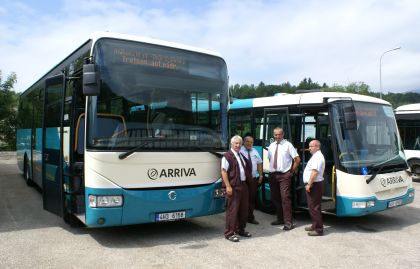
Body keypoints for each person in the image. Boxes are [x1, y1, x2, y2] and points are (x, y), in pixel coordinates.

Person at [268, 127, 301, 230]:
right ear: (273, 135)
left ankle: (288, 222)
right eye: (276, 135)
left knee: (285, 198)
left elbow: (297, 159)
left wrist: (291, 171)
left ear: (283, 135)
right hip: (273, 174)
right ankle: (280, 218)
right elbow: (270, 159)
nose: (278, 136)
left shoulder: (288, 145)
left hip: (284, 175)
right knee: (275, 198)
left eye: (279, 134)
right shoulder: (271, 145)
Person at [221, 135, 252, 242]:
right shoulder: (227, 156)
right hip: (233, 186)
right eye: (236, 143)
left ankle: (240, 229)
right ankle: (229, 233)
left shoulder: (241, 155)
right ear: (232, 144)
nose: (238, 145)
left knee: (244, 209)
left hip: (243, 185)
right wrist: (228, 186)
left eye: (239, 143)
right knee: (232, 210)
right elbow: (224, 171)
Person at [303, 139, 325, 236]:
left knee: (314, 207)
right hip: (315, 184)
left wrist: (309, 184)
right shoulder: (316, 156)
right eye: (309, 146)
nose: (309, 148)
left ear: (317, 147)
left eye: (311, 146)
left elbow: (314, 172)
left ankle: (318, 229)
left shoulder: (317, 157)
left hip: (314, 185)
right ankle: (315, 225)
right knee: (313, 207)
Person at [240, 134, 263, 225]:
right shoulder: (240, 151)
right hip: (243, 180)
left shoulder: (255, 151)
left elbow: (259, 163)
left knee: (251, 199)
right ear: (244, 142)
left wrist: (260, 175)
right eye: (247, 142)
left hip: (253, 179)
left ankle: (250, 217)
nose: (249, 144)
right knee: (242, 199)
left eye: (251, 142)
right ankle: (241, 218)